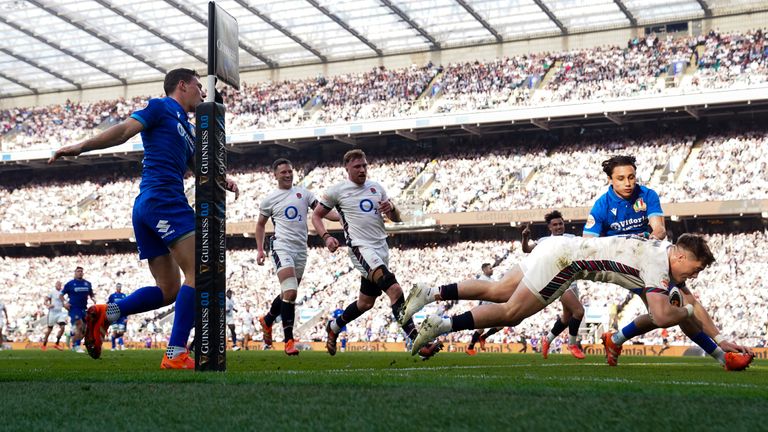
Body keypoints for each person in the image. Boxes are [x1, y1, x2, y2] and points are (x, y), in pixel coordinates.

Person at [49, 68, 239, 368]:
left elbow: (201, 168)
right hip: (163, 200)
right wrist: (82, 147)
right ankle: (175, 354)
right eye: (199, 87)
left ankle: (107, 313)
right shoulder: (160, 106)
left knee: (169, 290)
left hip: (151, 206)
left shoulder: (189, 130)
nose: (203, 93)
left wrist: (222, 179)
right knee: (198, 273)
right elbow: (124, 131)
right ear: (182, 85)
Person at [404, 234, 725, 358]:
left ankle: (432, 292)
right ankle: (441, 325)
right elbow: (664, 316)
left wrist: (719, 341)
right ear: (681, 257)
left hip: (558, 246)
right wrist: (685, 312)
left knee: (498, 291)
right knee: (512, 312)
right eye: (693, 270)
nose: (691, 277)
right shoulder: (658, 264)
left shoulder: (660, 252)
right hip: (566, 262)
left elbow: (686, 301)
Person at [585, 156, 753, 370]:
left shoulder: (647, 195)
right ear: (610, 180)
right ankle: (723, 357)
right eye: (621, 179)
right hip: (624, 266)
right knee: (678, 307)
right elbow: (588, 243)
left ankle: (615, 339)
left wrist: (648, 241)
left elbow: (659, 229)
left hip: (650, 261)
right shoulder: (602, 206)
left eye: (631, 177)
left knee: (665, 312)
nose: (628, 183)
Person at [311, 149, 442, 359]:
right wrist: (326, 237)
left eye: (364, 165)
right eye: (357, 167)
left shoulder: (376, 188)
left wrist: (391, 207)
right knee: (395, 290)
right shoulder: (337, 191)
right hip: (360, 249)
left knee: (365, 304)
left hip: (381, 249)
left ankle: (334, 327)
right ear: (347, 169)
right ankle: (418, 341)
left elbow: (396, 218)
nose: (362, 170)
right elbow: (316, 216)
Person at [256, 158, 339, 356]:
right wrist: (260, 249)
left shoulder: (304, 193)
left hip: (301, 249)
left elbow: (323, 212)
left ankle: (268, 320)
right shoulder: (269, 199)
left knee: (288, 292)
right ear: (275, 175)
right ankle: (288, 341)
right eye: (283, 172)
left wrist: (345, 216)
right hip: (280, 246)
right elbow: (260, 225)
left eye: (290, 171)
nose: (287, 174)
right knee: (291, 292)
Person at [524, 210, 586, 360]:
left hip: (572, 281)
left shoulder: (571, 238)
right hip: (558, 282)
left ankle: (548, 340)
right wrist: (524, 238)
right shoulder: (544, 241)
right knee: (579, 312)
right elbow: (526, 250)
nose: (559, 227)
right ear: (550, 228)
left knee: (566, 318)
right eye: (555, 225)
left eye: (561, 223)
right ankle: (572, 344)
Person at [465, 263, 503, 356]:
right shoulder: (482, 280)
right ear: (484, 270)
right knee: (481, 329)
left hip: (492, 306)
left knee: (500, 325)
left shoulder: (491, 280)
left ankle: (480, 340)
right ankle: (472, 346)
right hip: (485, 307)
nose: (492, 269)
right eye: (490, 268)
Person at [60, 266, 94, 353]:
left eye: (81, 271)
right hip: (74, 308)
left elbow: (91, 294)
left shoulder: (87, 284)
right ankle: (77, 346)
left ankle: (71, 335)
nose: (80, 272)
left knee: (84, 330)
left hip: (83, 309)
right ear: (75, 273)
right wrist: (65, 303)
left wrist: (93, 299)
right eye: (78, 271)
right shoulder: (70, 284)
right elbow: (61, 295)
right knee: (80, 325)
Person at [42, 281, 67, 351]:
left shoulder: (62, 293)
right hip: (52, 313)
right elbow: (45, 300)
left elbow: (64, 302)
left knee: (63, 327)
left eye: (60, 284)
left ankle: (57, 343)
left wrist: (66, 306)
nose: (59, 285)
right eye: (57, 284)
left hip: (60, 313)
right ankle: (44, 344)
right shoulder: (52, 292)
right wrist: (48, 305)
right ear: (55, 285)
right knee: (49, 330)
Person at [107, 283, 127, 351]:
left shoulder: (124, 295)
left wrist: (126, 317)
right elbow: (108, 305)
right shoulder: (112, 296)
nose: (119, 288)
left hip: (122, 316)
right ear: (116, 287)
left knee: (121, 332)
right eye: (118, 286)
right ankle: (113, 346)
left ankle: (121, 345)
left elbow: (126, 306)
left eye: (120, 286)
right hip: (114, 316)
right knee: (114, 331)